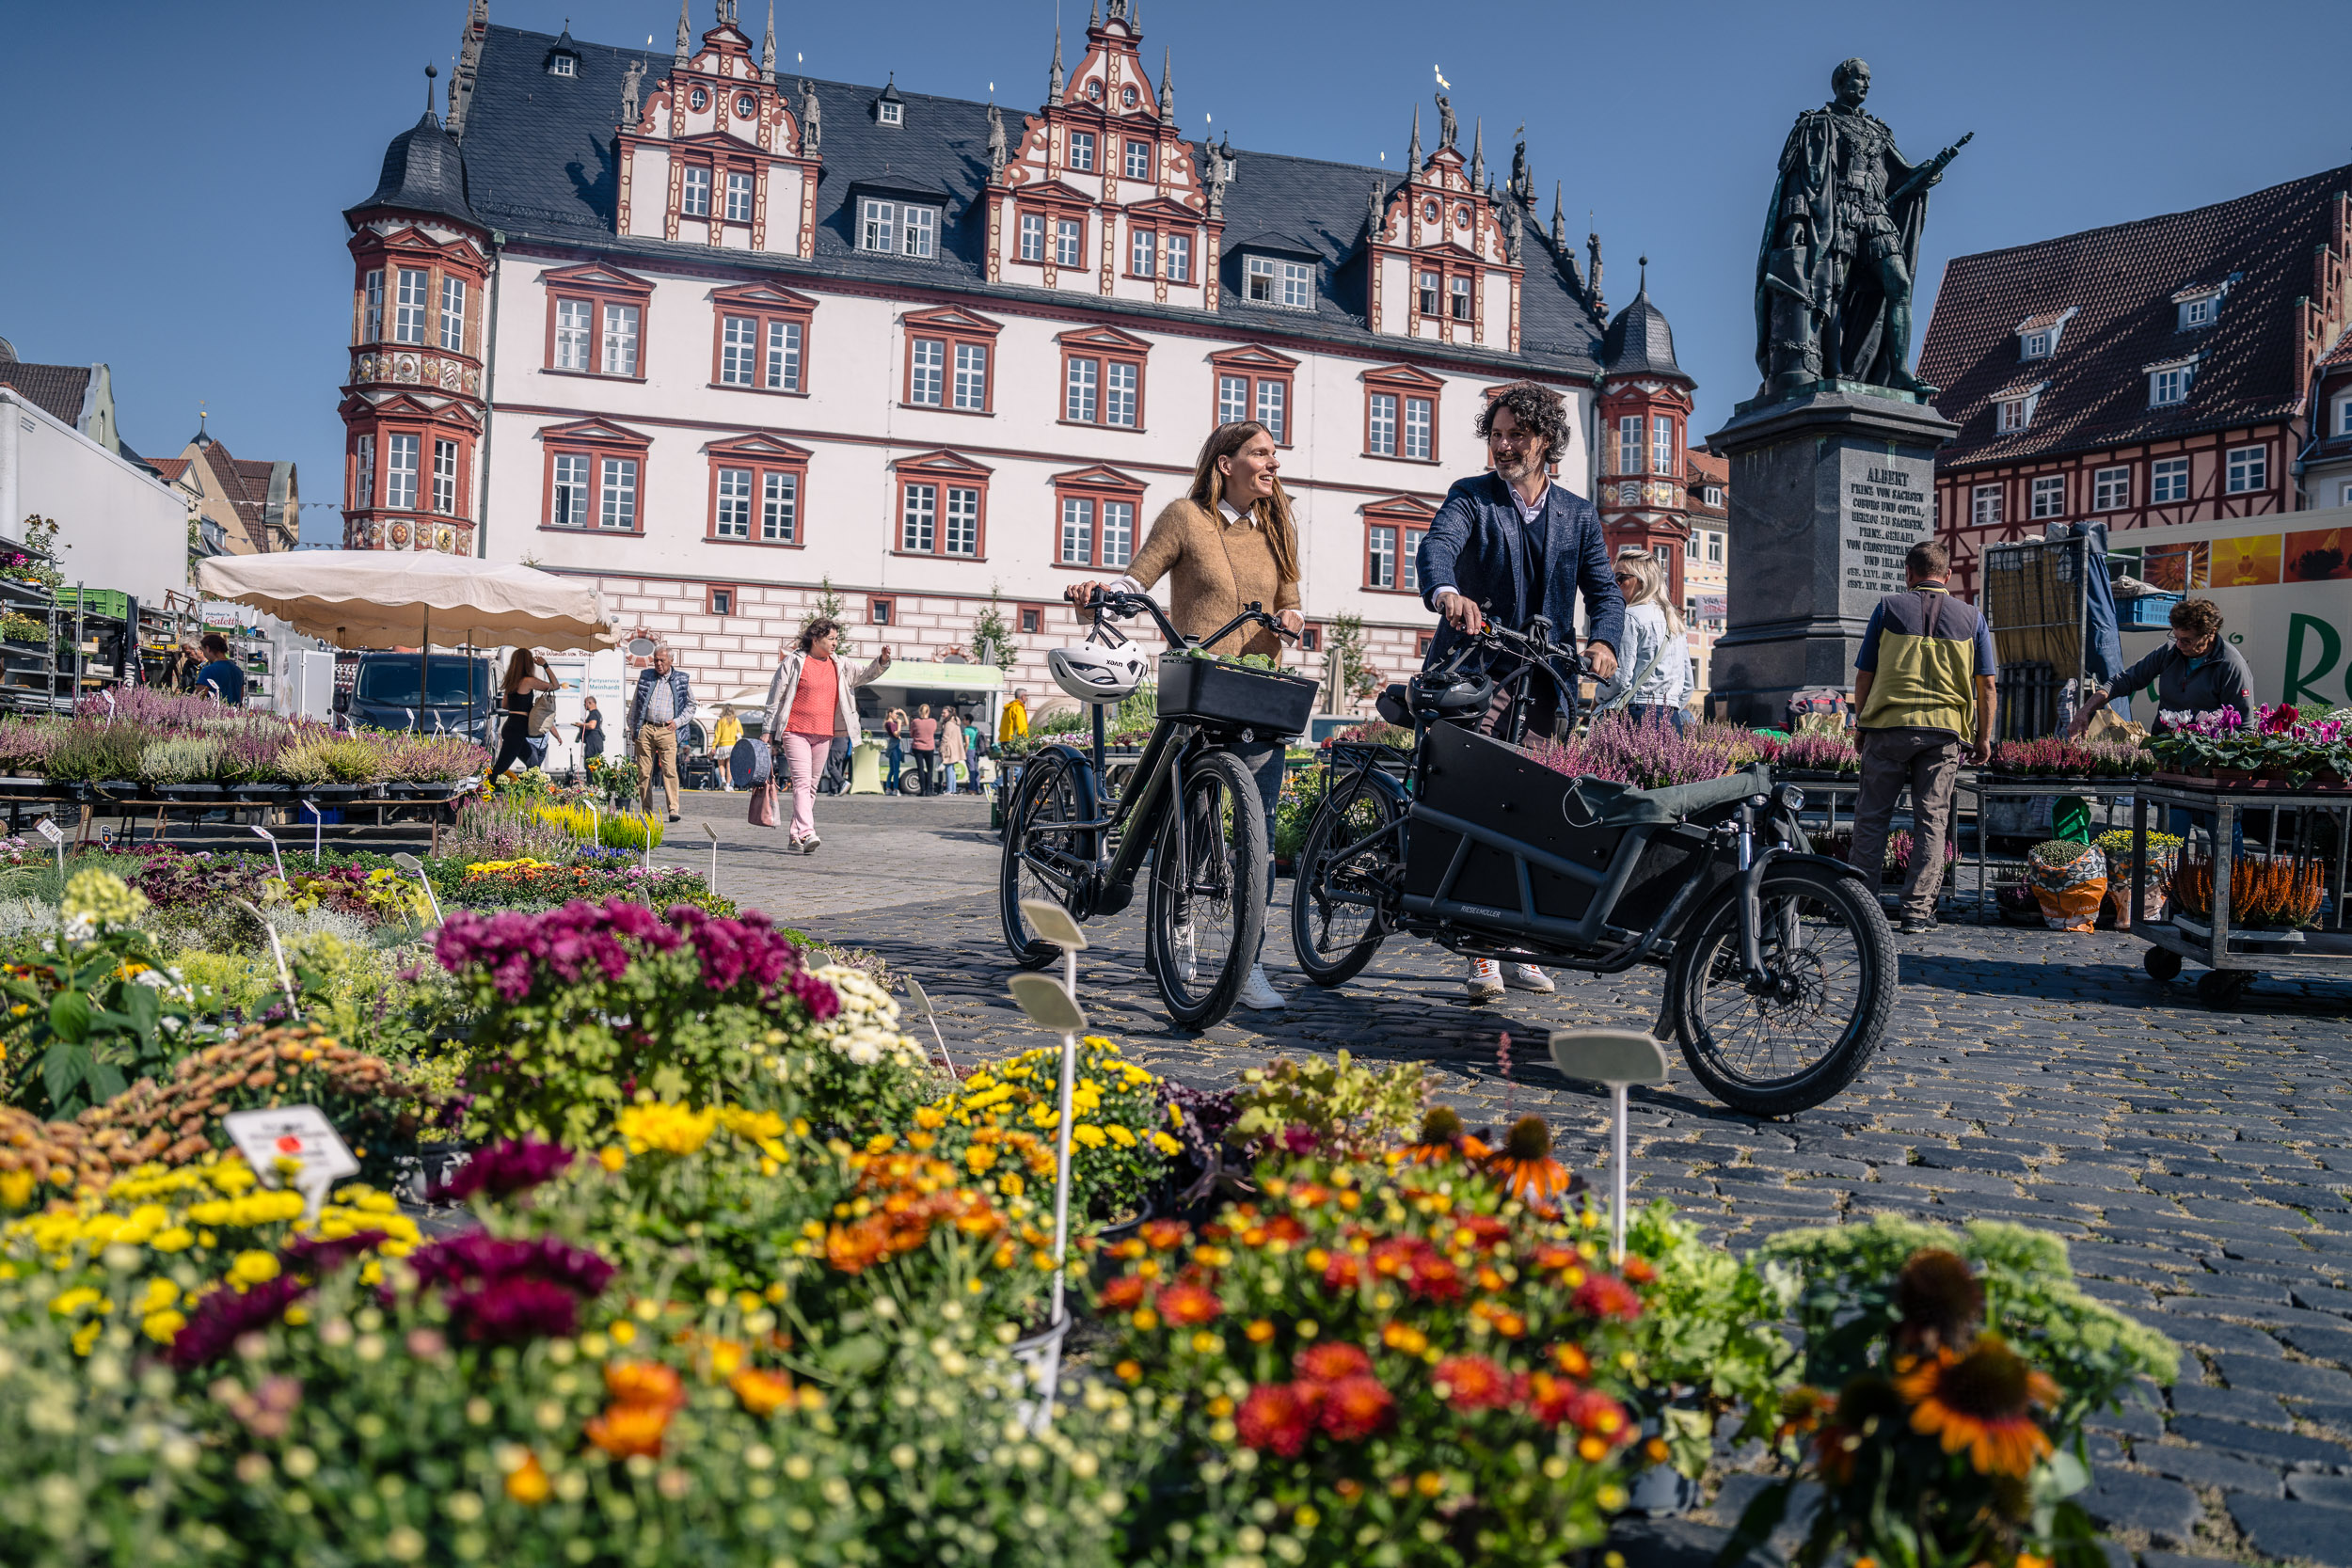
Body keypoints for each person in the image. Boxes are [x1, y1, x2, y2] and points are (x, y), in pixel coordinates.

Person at [1064, 420, 1309, 1013]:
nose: (1273, 465)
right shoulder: (1185, 516)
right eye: (1261, 455)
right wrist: (1106, 591)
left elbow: (1291, 598)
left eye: (1275, 456)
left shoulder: (1277, 527)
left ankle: (1247, 965)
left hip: (1258, 693)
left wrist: (1294, 619)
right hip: (1200, 685)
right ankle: (1178, 937)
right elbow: (1140, 575)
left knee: (1261, 829)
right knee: (1188, 821)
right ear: (1226, 464)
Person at [1418, 380, 1624, 1002]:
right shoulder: (1472, 498)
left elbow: (1605, 593)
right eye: (1497, 435)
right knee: (1479, 800)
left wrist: (1604, 642)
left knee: (1533, 808)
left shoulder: (1578, 514)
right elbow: (1438, 547)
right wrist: (1448, 593)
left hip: (1546, 680)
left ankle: (1523, 939)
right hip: (1480, 671)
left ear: (1546, 441)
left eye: (1517, 435)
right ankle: (1482, 948)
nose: (1504, 446)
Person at [1847, 539, 1997, 935]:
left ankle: (1861, 904)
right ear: (1948, 577)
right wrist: (1984, 737)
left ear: (1908, 574)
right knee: (1932, 820)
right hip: (1944, 731)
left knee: (1872, 817)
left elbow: (1864, 674)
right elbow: (1987, 686)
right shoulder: (1972, 617)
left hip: (1888, 726)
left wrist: (1861, 723)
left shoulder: (1887, 608)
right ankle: (1916, 910)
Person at [762, 620, 891, 853]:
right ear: (815, 639)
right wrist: (767, 731)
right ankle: (807, 832)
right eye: (831, 638)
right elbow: (775, 697)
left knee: (812, 786)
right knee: (801, 782)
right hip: (795, 731)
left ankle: (795, 835)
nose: (835, 642)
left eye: (836, 638)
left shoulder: (839, 664)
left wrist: (882, 662)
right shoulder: (794, 661)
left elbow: (864, 675)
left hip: (824, 733)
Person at [2067, 597, 2252, 737]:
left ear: (2210, 633)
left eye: (2186, 640)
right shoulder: (2169, 652)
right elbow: (2124, 681)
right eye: (2176, 637)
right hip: (2164, 743)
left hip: (2206, 752)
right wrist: (2085, 711)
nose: (2179, 645)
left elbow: (2243, 727)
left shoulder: (2231, 666)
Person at [1598, 549, 1692, 732]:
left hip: (1635, 712)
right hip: (1671, 717)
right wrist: (1669, 707)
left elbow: (1619, 678)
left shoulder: (1630, 617)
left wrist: (1598, 699)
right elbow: (1688, 685)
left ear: (1642, 580)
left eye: (1620, 578)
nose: (1614, 585)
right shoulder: (1674, 621)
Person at [628, 644, 695, 823]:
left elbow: (691, 705)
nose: (658, 663)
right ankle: (647, 810)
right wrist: (634, 727)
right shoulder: (646, 676)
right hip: (646, 728)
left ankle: (673, 809)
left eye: (662, 660)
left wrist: (678, 722)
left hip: (667, 730)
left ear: (671, 661)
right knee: (644, 772)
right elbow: (636, 702)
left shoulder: (681, 679)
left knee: (670, 770)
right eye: (655, 660)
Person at [490, 648, 556, 783]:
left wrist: (521, 704)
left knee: (533, 766)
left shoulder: (511, 682)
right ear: (528, 663)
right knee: (500, 767)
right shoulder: (528, 681)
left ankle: (529, 797)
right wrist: (545, 665)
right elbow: (555, 685)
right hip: (518, 729)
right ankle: (482, 792)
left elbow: (505, 705)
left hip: (512, 725)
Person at [196, 634, 246, 707]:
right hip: (234, 715)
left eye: (203, 651)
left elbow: (199, 698)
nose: (204, 655)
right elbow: (240, 698)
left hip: (214, 714)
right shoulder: (238, 670)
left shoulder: (208, 670)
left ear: (208, 648)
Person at [709, 706, 744, 791]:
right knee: (730, 766)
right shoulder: (736, 720)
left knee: (721, 765)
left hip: (723, 745)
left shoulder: (721, 721)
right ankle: (728, 786)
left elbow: (717, 735)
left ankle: (723, 779)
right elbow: (741, 732)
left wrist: (713, 746)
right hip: (732, 745)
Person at [937, 704, 968, 795]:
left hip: (949, 749)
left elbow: (945, 738)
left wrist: (941, 749)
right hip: (955, 748)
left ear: (949, 713)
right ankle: (953, 789)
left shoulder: (949, 723)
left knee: (949, 769)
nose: (942, 714)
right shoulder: (955, 722)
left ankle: (949, 790)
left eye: (944, 713)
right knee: (952, 769)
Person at [911, 704, 939, 795]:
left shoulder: (915, 721)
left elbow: (911, 734)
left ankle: (922, 790)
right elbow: (934, 731)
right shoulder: (933, 721)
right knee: (930, 769)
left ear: (919, 711)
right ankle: (929, 790)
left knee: (920, 769)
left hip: (918, 747)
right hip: (929, 747)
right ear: (929, 711)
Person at [883, 708, 907, 793]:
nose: (897, 716)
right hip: (894, 747)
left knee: (893, 769)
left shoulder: (893, 723)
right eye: (895, 714)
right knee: (895, 769)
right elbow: (896, 734)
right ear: (890, 714)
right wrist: (899, 724)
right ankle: (895, 788)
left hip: (895, 746)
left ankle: (888, 787)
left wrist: (903, 713)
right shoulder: (889, 724)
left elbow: (907, 723)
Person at [579, 696, 605, 763]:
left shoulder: (594, 713)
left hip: (593, 743)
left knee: (591, 765)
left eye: (585, 703)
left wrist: (580, 725)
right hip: (595, 743)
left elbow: (592, 726)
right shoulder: (596, 713)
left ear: (589, 703)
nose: (584, 705)